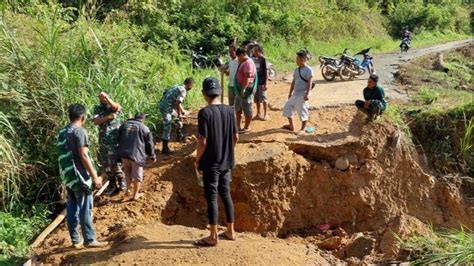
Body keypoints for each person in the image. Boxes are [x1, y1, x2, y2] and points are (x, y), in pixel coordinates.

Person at [194, 77, 238, 246]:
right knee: (226, 194)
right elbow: (235, 137)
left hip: (211, 163)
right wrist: (227, 152)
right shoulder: (229, 110)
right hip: (226, 161)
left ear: (204, 93)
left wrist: (197, 160)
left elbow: (203, 142)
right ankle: (230, 231)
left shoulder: (204, 113)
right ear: (219, 91)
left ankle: (213, 236)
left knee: (211, 197)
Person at [58, 104, 108, 248]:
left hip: (68, 177)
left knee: (72, 206)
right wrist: (95, 178)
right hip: (80, 177)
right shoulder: (79, 132)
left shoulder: (62, 132)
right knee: (86, 207)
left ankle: (75, 240)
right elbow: (84, 155)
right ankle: (89, 239)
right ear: (83, 117)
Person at [117, 112, 156, 201]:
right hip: (136, 155)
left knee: (127, 171)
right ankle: (135, 195)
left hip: (124, 154)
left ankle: (128, 189)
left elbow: (118, 138)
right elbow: (150, 143)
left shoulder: (124, 125)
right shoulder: (144, 128)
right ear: (142, 119)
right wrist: (152, 155)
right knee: (137, 175)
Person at [93, 92, 125, 195]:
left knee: (115, 161)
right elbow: (96, 121)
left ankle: (121, 181)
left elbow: (116, 108)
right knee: (105, 163)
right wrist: (108, 117)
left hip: (114, 140)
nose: (103, 99)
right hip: (103, 140)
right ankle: (112, 185)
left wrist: (107, 97)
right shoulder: (98, 108)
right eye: (101, 97)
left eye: (105, 97)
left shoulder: (115, 106)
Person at [158, 77, 195, 154]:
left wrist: (182, 111)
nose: (191, 88)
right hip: (166, 109)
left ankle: (179, 136)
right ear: (189, 84)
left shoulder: (177, 86)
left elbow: (176, 102)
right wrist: (180, 115)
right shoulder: (183, 90)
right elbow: (177, 103)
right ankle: (165, 149)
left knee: (178, 121)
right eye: (192, 86)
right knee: (167, 126)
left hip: (169, 107)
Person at [282, 50, 313, 133]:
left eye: (297, 59)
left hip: (302, 94)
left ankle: (302, 129)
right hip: (295, 94)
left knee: (302, 111)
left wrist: (307, 94)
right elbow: (293, 81)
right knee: (287, 108)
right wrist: (290, 92)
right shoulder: (296, 70)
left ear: (302, 59)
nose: (296, 61)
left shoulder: (308, 70)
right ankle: (291, 126)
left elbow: (310, 83)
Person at [234, 47, 257, 134]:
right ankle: (238, 126)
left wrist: (243, 89)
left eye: (238, 57)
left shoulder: (248, 63)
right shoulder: (243, 62)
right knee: (238, 108)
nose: (237, 59)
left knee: (247, 108)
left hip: (245, 89)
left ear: (242, 55)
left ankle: (247, 127)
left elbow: (248, 77)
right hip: (239, 89)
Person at [252, 45, 269, 121]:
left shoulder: (263, 59)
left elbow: (266, 71)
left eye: (256, 51)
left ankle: (266, 114)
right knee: (256, 99)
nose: (254, 52)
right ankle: (258, 113)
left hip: (262, 82)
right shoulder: (255, 59)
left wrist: (266, 83)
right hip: (256, 82)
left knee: (264, 98)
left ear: (260, 51)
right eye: (254, 51)